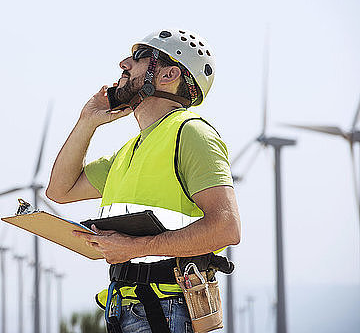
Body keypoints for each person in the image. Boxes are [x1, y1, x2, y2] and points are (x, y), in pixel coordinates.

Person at [46, 29, 241, 333]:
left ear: (169, 74)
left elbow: (226, 228)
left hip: (166, 309)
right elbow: (59, 190)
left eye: (138, 57)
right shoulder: (130, 149)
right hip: (126, 307)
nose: (124, 63)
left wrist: (134, 248)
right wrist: (88, 120)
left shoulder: (191, 134)